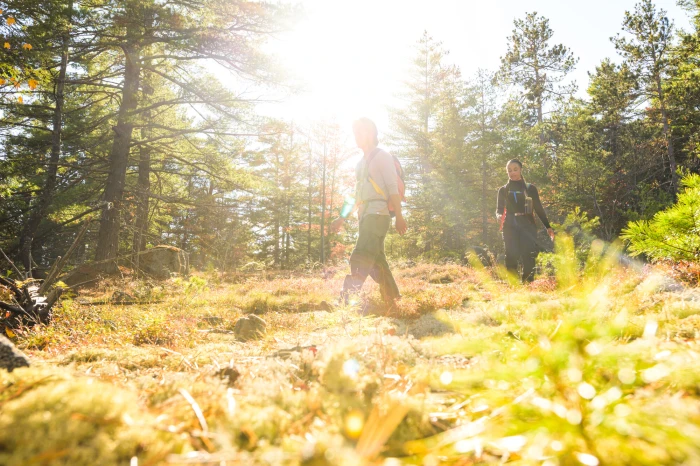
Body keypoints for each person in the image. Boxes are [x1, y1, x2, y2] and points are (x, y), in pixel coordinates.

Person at [330, 118, 407, 311]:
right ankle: (394, 300)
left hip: (378, 215)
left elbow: (392, 189)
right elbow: (356, 195)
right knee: (377, 261)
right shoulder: (360, 164)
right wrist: (342, 217)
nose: (356, 137)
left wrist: (399, 216)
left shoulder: (382, 157)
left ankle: (345, 301)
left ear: (371, 133)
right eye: (355, 133)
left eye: (360, 132)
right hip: (365, 217)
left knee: (361, 255)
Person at [496, 159, 554, 283]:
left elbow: (538, 208)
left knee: (528, 253)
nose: (512, 173)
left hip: (527, 224)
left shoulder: (530, 188)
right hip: (509, 224)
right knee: (511, 254)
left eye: (515, 169)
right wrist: (499, 216)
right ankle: (513, 284)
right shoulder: (503, 190)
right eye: (509, 170)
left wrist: (547, 226)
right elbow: (499, 209)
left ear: (521, 169)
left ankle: (528, 283)